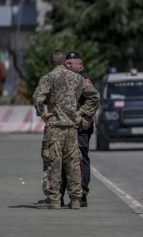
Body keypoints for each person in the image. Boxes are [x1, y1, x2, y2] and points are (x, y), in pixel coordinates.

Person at [33, 51, 100, 210]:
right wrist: (82, 113)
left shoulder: (48, 77)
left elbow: (38, 98)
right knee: (74, 163)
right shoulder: (78, 78)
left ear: (52, 63)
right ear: (64, 62)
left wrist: (42, 113)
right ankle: (76, 199)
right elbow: (95, 96)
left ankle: (53, 199)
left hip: (55, 127)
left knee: (53, 162)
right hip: (72, 127)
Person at [62, 51, 96, 207]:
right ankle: (62, 194)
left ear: (80, 65)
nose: (68, 65)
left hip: (81, 126)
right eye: (66, 63)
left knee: (80, 159)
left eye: (71, 63)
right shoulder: (69, 78)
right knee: (65, 160)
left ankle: (82, 194)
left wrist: (87, 117)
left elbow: (94, 99)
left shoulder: (84, 79)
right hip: (69, 124)